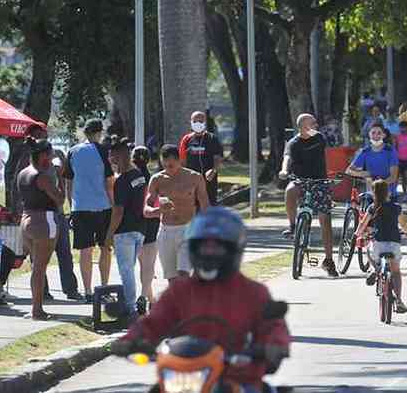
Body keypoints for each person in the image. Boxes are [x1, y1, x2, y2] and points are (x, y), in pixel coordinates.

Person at [116, 208, 291, 392]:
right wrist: (131, 340)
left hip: (237, 375)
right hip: (183, 374)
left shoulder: (254, 292)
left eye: (216, 247)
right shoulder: (179, 290)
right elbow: (154, 321)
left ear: (234, 249)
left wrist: (274, 346)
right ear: (193, 248)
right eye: (203, 246)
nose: (209, 252)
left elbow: (273, 326)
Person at [279, 114, 338, 277]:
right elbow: (287, 157)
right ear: (302, 127)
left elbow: (331, 144)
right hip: (300, 180)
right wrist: (284, 170)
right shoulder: (293, 143)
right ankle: (292, 226)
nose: (315, 125)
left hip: (320, 181)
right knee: (290, 190)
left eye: (315, 123)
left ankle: (328, 260)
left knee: (325, 219)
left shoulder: (319, 138)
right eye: (311, 124)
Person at [62, 119, 114, 303]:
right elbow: (109, 181)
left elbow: (68, 182)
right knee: (105, 248)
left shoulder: (73, 151)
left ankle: (88, 291)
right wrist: (115, 205)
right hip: (103, 206)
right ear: (99, 132)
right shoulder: (103, 150)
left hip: (79, 207)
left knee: (85, 250)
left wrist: (71, 203)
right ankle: (105, 287)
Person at [145, 144, 209, 283]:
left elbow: (205, 206)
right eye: (165, 164)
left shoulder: (194, 177)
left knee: (183, 274)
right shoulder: (157, 179)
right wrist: (159, 210)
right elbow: (146, 210)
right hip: (166, 232)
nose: (169, 168)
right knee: (172, 279)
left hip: (188, 230)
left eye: (172, 164)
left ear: (179, 160)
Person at [18, 137, 64, 320]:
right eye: (51, 154)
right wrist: (60, 176)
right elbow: (60, 199)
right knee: (40, 268)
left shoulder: (23, 173)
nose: (52, 158)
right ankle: (37, 310)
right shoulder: (43, 177)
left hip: (26, 218)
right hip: (43, 221)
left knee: (35, 267)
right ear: (44, 155)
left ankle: (35, 307)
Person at [106, 137, 147, 318]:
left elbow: (118, 211)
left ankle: (130, 309)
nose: (110, 161)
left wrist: (109, 235)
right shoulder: (139, 175)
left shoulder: (122, 181)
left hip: (124, 232)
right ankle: (132, 304)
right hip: (140, 229)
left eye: (111, 157)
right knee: (130, 268)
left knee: (126, 271)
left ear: (118, 156)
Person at [346, 123, 407, 234]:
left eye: (379, 133)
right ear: (369, 135)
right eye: (373, 133)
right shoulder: (365, 152)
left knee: (390, 227)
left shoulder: (390, 151)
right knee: (368, 224)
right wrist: (365, 174)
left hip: (389, 194)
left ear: (384, 135)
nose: (376, 135)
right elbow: (349, 170)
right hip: (371, 193)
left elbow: (393, 176)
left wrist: (379, 185)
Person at [356, 180, 407, 313]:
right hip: (394, 243)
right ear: (388, 193)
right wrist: (406, 231)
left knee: (369, 249)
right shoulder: (396, 207)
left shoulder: (372, 207)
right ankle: (399, 300)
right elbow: (403, 224)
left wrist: (357, 234)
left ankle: (375, 269)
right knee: (396, 271)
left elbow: (363, 224)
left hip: (378, 243)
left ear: (373, 193)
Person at [42, 148, 82, 301]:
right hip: (45, 217)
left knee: (65, 255)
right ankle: (43, 291)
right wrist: (60, 176)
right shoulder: (40, 173)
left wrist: (61, 174)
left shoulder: (53, 168)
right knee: (42, 257)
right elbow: (61, 197)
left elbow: (61, 198)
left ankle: (70, 289)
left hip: (58, 216)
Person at [179, 111, 224, 206]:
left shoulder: (212, 138)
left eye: (200, 121)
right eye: (195, 121)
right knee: (193, 206)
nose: (198, 124)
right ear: (191, 123)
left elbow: (218, 158)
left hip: (209, 180)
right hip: (191, 180)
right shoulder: (186, 139)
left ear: (205, 122)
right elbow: (182, 161)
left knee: (210, 205)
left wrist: (213, 170)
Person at [132, 146, 158, 305]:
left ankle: (148, 297)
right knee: (149, 264)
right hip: (152, 223)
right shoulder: (154, 179)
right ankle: (145, 296)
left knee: (142, 263)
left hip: (134, 223)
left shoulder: (128, 178)